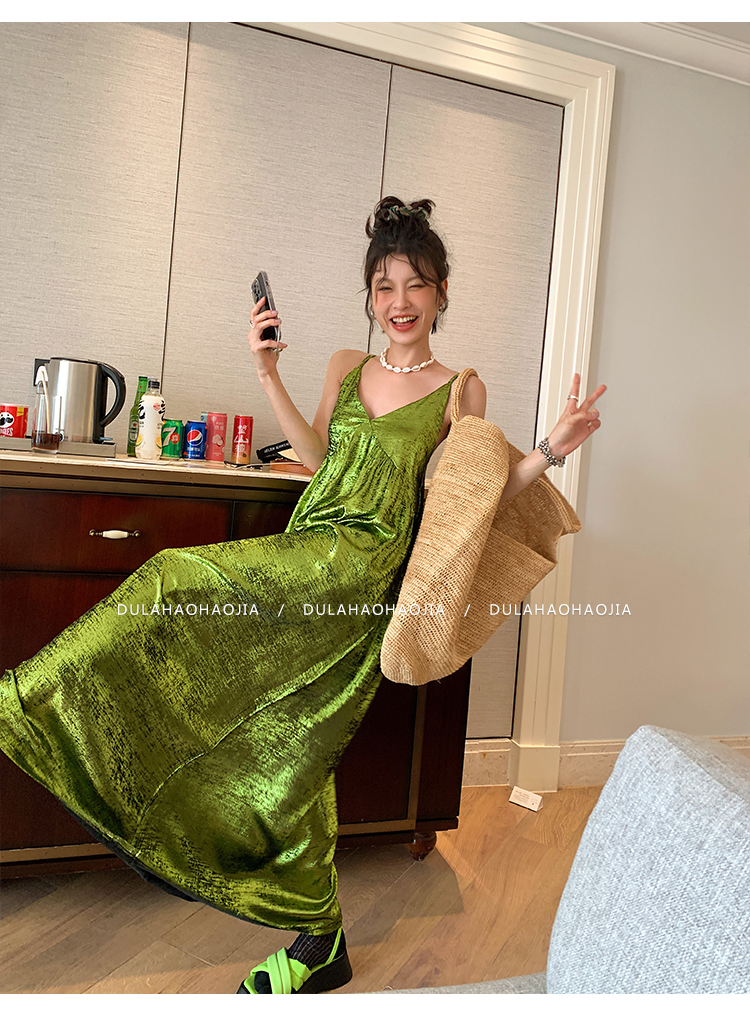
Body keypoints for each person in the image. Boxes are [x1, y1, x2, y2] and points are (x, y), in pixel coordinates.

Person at [0, 196, 604, 996]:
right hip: (311, 545)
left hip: (365, 574)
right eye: (384, 286)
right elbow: (319, 460)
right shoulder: (346, 366)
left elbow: (465, 505)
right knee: (288, 743)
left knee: (182, 587)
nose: (399, 302)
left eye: (415, 285)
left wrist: (550, 450)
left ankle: (28, 700)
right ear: (370, 294)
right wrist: (266, 374)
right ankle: (321, 939)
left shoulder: (462, 389)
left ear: (441, 292)